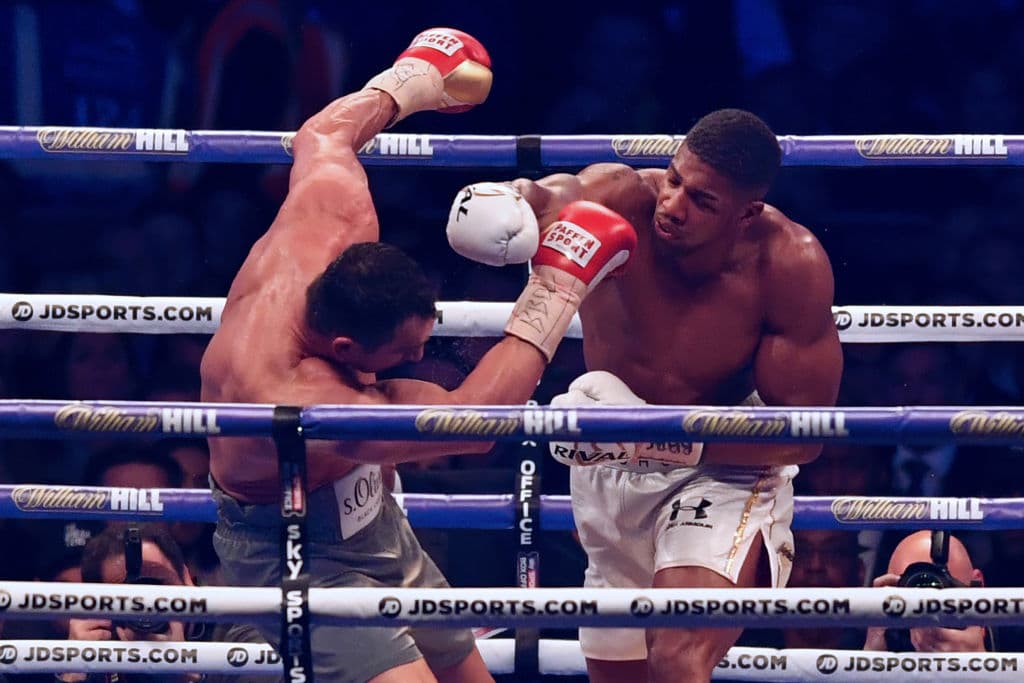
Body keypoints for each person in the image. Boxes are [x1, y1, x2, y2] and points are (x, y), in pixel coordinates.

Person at [200, 28, 637, 683]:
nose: (422, 353)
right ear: (347, 349)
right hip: (293, 548)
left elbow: (323, 135)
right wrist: (556, 286)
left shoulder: (334, 217)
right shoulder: (302, 401)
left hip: (372, 522)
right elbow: (474, 420)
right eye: (404, 351)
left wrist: (411, 80)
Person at [448, 108, 843, 682]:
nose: (674, 205)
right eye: (675, 179)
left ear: (746, 213)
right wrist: (512, 199)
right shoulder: (625, 198)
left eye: (703, 201)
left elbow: (802, 437)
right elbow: (560, 196)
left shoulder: (787, 263)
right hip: (609, 466)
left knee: (676, 652)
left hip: (719, 469)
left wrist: (653, 441)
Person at [58, 524, 272, 683]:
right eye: (125, 598)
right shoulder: (92, 655)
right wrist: (72, 672)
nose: (147, 606)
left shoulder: (239, 640)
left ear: (188, 581)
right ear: (98, 612)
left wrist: (184, 676)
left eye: (156, 586)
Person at [864, 530, 989, 653]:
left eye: (938, 592)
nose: (925, 612)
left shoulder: (1002, 643)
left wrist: (978, 661)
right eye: (910, 593)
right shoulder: (876, 648)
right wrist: (872, 657)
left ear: (977, 591)